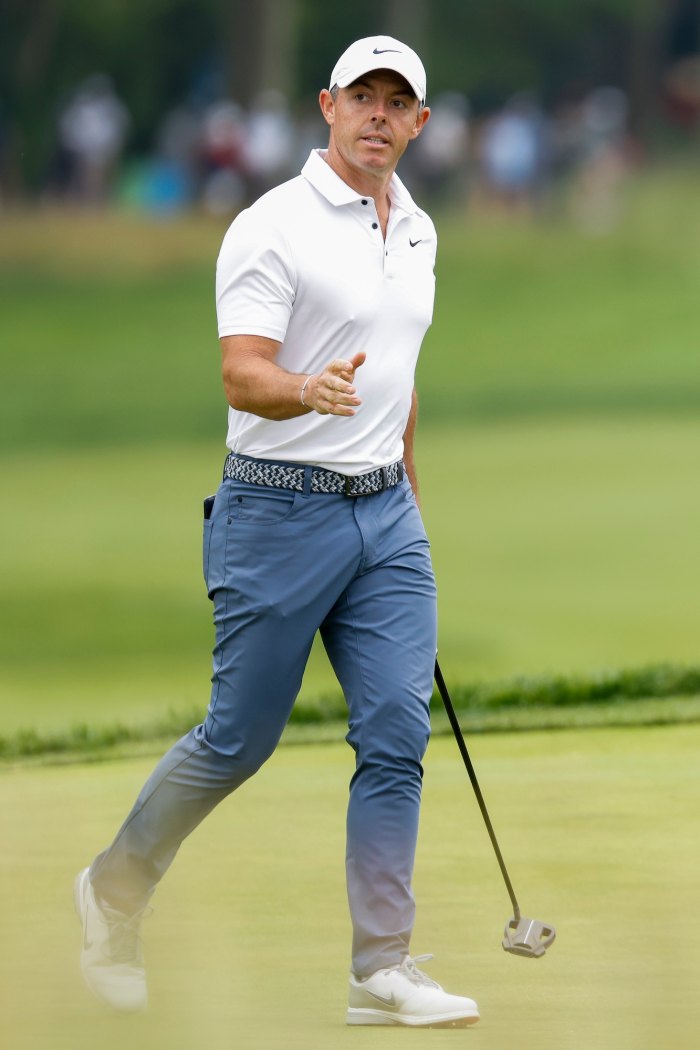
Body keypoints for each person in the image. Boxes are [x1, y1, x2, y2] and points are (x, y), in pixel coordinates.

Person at [74, 35, 480, 1029]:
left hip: (386, 515)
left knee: (395, 732)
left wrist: (408, 498)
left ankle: (379, 967)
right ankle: (113, 889)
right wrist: (307, 390)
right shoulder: (271, 225)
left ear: (420, 123)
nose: (379, 114)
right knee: (239, 738)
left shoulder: (419, 230)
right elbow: (241, 372)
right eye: (362, 96)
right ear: (327, 107)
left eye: (397, 102)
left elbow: (397, 373)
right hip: (276, 509)